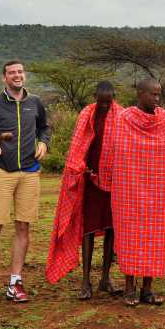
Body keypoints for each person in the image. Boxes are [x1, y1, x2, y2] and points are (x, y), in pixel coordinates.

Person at [0, 60, 52, 305]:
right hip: (2, 172)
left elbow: (45, 128)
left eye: (20, 72)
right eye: (11, 73)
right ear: (4, 78)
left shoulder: (35, 103)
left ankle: (15, 282)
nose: (17, 76)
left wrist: (43, 143)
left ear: (24, 75)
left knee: (23, 226)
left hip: (30, 172)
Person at [102, 77, 165, 307]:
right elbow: (117, 150)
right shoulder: (124, 118)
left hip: (159, 189)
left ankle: (148, 289)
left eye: (159, 94)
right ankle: (129, 287)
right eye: (152, 94)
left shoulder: (164, 118)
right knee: (130, 236)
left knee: (155, 237)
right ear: (140, 94)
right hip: (129, 188)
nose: (156, 99)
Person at [45, 81, 123, 299]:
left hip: (114, 182)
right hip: (88, 181)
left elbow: (125, 148)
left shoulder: (122, 116)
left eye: (108, 102)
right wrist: (81, 167)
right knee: (87, 229)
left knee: (111, 230)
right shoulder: (86, 114)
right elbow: (79, 146)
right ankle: (85, 280)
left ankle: (106, 278)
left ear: (114, 98)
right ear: (94, 96)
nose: (105, 106)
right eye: (101, 101)